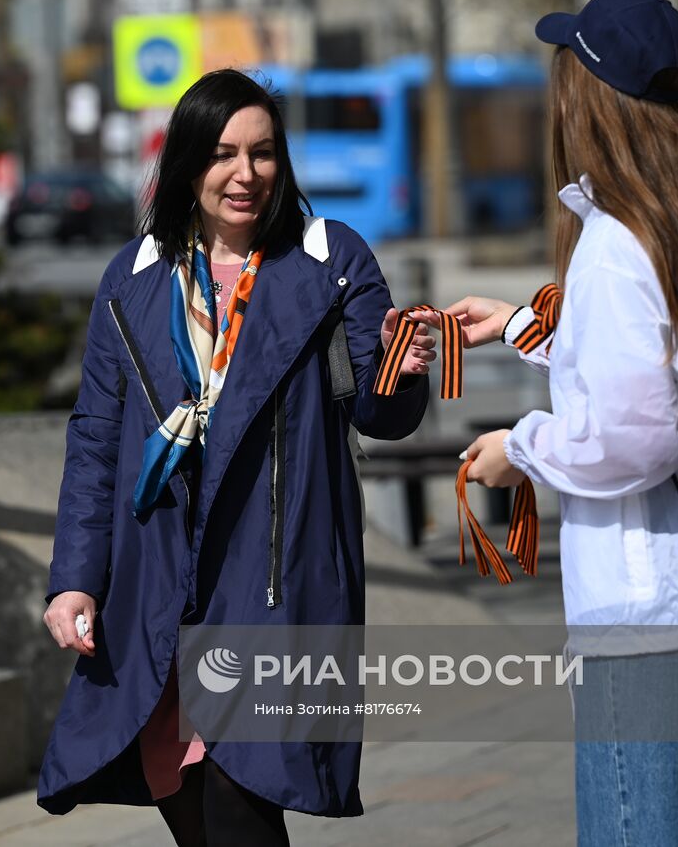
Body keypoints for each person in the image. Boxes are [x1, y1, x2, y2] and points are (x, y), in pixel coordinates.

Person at [36, 69, 435, 845]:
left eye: (263, 154)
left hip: (274, 585)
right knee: (180, 790)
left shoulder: (330, 261)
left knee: (243, 803)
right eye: (223, 153)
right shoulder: (136, 278)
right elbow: (94, 440)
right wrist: (74, 581)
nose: (244, 174)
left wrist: (400, 363)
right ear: (188, 164)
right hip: (158, 586)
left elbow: (385, 418)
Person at [447, 0, 678, 846]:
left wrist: (518, 449)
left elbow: (638, 434)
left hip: (639, 617)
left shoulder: (614, 241)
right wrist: (527, 328)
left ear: (586, 95)